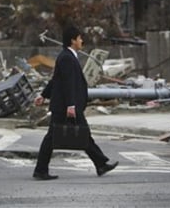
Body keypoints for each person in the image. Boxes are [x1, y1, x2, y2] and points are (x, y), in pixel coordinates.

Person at [32, 25, 119, 180]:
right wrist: (71, 105)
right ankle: (40, 170)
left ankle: (100, 164)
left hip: (65, 105)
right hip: (66, 107)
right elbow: (67, 83)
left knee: (81, 134)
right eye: (79, 38)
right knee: (56, 137)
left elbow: (56, 80)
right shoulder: (67, 57)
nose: (82, 41)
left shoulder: (67, 56)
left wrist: (43, 95)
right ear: (73, 41)